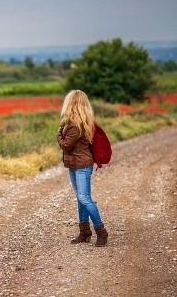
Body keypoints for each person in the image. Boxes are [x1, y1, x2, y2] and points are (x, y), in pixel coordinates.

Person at [56, 90, 108, 247]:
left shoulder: (74, 124)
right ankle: (85, 232)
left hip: (81, 166)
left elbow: (65, 145)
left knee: (84, 198)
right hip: (77, 164)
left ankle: (101, 232)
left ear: (71, 103)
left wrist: (59, 133)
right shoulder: (83, 120)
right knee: (81, 197)